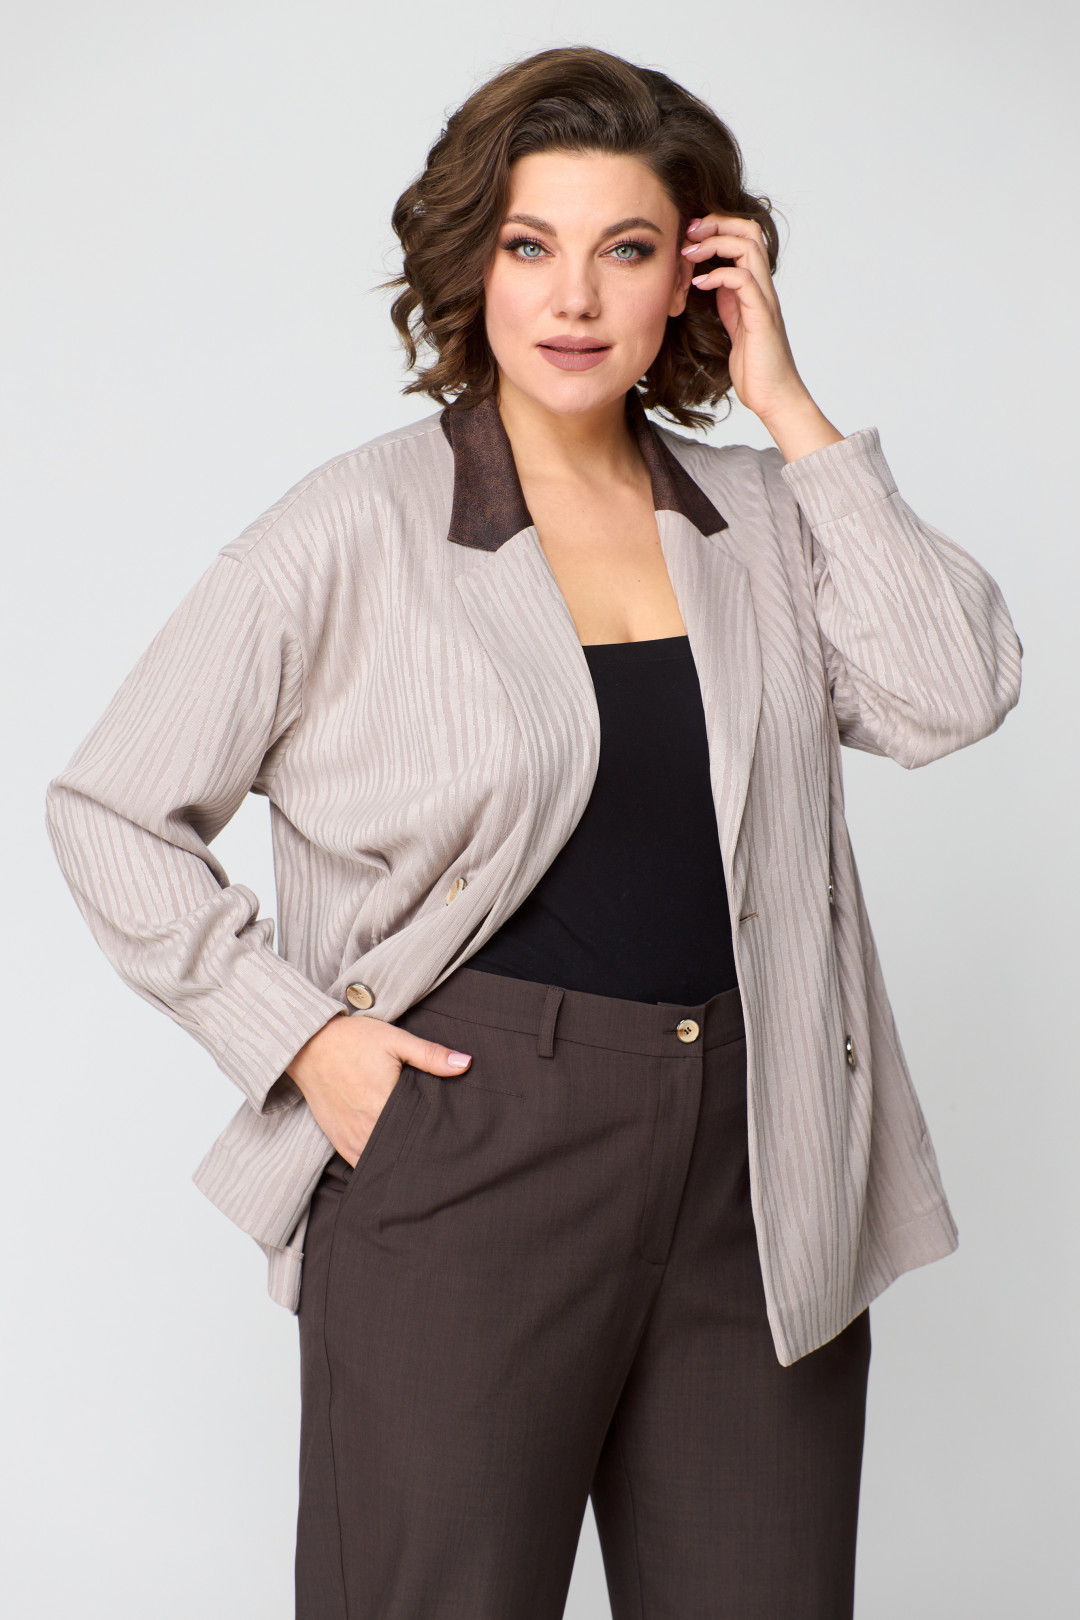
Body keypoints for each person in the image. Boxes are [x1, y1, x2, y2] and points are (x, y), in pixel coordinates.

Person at [45, 43, 1022, 1620]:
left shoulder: (761, 518)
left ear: (694, 273)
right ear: (473, 266)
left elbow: (952, 693)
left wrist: (787, 403)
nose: (574, 298)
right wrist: (304, 1043)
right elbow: (110, 808)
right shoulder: (350, 528)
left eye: (626, 249)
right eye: (529, 245)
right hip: (469, 1141)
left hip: (760, 1156)